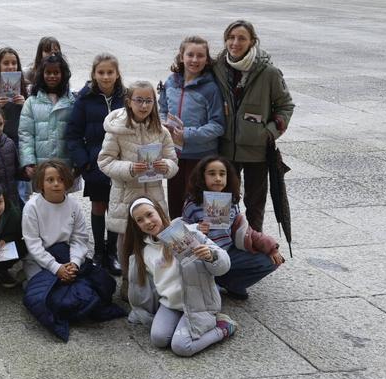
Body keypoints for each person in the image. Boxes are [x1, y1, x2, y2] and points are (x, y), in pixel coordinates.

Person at [21, 160, 126, 341]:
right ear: (40, 184)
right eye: (50, 180)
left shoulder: (73, 205)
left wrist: (74, 263)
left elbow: (79, 238)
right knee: (45, 298)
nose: (56, 184)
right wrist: (56, 268)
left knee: (104, 283)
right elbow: (33, 245)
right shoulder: (32, 208)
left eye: (60, 179)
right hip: (41, 261)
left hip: (68, 256)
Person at [125, 198, 236, 357]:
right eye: (140, 220)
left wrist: (211, 256)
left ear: (159, 211)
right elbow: (144, 289)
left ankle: (223, 327)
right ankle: (182, 324)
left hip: (198, 301)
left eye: (150, 214)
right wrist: (139, 311)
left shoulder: (187, 233)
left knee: (181, 347)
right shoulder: (143, 252)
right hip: (170, 304)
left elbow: (223, 266)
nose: (147, 221)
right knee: (158, 339)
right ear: (136, 225)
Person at [212, 20, 294, 232]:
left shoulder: (268, 72)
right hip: (226, 147)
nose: (235, 43)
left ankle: (254, 240)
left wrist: (269, 132)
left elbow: (285, 105)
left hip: (257, 150)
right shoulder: (219, 67)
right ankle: (220, 239)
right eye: (231, 37)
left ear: (252, 42)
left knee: (255, 202)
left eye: (241, 38)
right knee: (222, 197)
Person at [183, 155, 284, 299]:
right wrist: (196, 228)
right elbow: (182, 235)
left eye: (222, 174)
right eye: (212, 174)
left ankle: (232, 283)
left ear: (228, 177)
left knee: (270, 260)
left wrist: (271, 247)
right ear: (201, 177)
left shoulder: (231, 202)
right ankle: (210, 282)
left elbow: (245, 230)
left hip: (229, 252)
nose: (217, 178)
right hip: (205, 256)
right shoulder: (193, 204)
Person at [97, 80, 178, 247]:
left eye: (149, 101)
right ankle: (127, 273)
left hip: (154, 196)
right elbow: (105, 162)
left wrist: (166, 167)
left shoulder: (161, 131)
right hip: (126, 196)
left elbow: (173, 161)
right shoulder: (116, 130)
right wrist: (130, 168)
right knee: (127, 243)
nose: (144, 106)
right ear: (129, 102)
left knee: (155, 242)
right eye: (139, 100)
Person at [65, 53, 125, 275]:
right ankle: (99, 251)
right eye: (101, 72)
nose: (106, 77)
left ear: (117, 74)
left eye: (110, 72)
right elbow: (73, 133)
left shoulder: (126, 97)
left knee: (116, 207)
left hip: (121, 164)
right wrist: (84, 161)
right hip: (96, 162)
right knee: (99, 205)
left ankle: (113, 252)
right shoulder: (84, 100)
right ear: (94, 74)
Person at [159, 36, 225, 218]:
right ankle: (177, 243)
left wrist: (186, 134)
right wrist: (164, 126)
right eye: (190, 55)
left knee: (199, 205)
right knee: (176, 205)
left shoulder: (210, 88)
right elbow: (162, 108)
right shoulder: (171, 82)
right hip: (175, 155)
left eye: (200, 56)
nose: (195, 60)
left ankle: (207, 243)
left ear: (207, 59)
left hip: (201, 156)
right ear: (181, 56)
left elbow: (218, 125)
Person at [18, 54, 75, 198]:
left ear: (63, 74)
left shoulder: (72, 101)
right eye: (48, 72)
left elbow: (76, 134)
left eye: (56, 72)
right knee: (43, 202)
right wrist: (28, 162)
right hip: (41, 165)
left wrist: (77, 163)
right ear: (41, 74)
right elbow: (26, 135)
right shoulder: (32, 102)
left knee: (62, 200)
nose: (52, 76)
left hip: (64, 164)